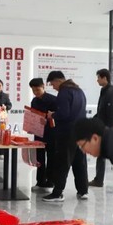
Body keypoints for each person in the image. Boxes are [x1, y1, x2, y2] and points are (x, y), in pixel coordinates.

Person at [42, 71, 88, 202]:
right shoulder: (79, 91)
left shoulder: (64, 92)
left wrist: (52, 115)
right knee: (80, 162)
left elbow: (64, 114)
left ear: (58, 80)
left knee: (62, 162)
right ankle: (83, 191)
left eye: (53, 84)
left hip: (67, 133)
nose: (54, 87)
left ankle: (57, 193)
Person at [88, 68, 113, 188]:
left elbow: (112, 113)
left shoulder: (111, 93)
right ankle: (98, 179)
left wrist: (109, 130)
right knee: (101, 154)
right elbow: (102, 111)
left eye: (98, 78)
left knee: (112, 155)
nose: (97, 80)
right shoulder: (105, 91)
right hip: (103, 128)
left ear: (104, 78)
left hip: (108, 129)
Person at [29, 77, 57, 190]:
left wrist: (48, 120)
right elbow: (32, 116)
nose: (36, 92)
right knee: (39, 159)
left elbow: (57, 116)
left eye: (37, 90)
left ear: (43, 87)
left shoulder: (53, 100)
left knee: (51, 157)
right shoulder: (34, 101)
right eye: (33, 90)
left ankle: (51, 181)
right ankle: (40, 182)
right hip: (38, 133)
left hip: (51, 133)